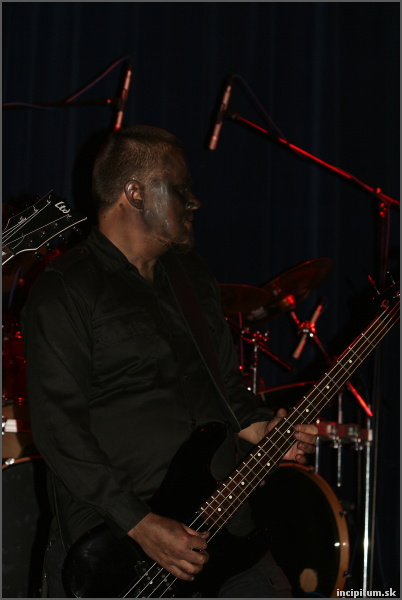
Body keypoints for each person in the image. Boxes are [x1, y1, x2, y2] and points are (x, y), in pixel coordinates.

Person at [22, 125, 318, 598]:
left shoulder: (193, 277)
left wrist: (263, 428)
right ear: (135, 193)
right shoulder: (65, 288)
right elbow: (59, 430)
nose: (194, 202)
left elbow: (226, 389)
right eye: (180, 189)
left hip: (223, 525)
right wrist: (140, 522)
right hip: (118, 548)